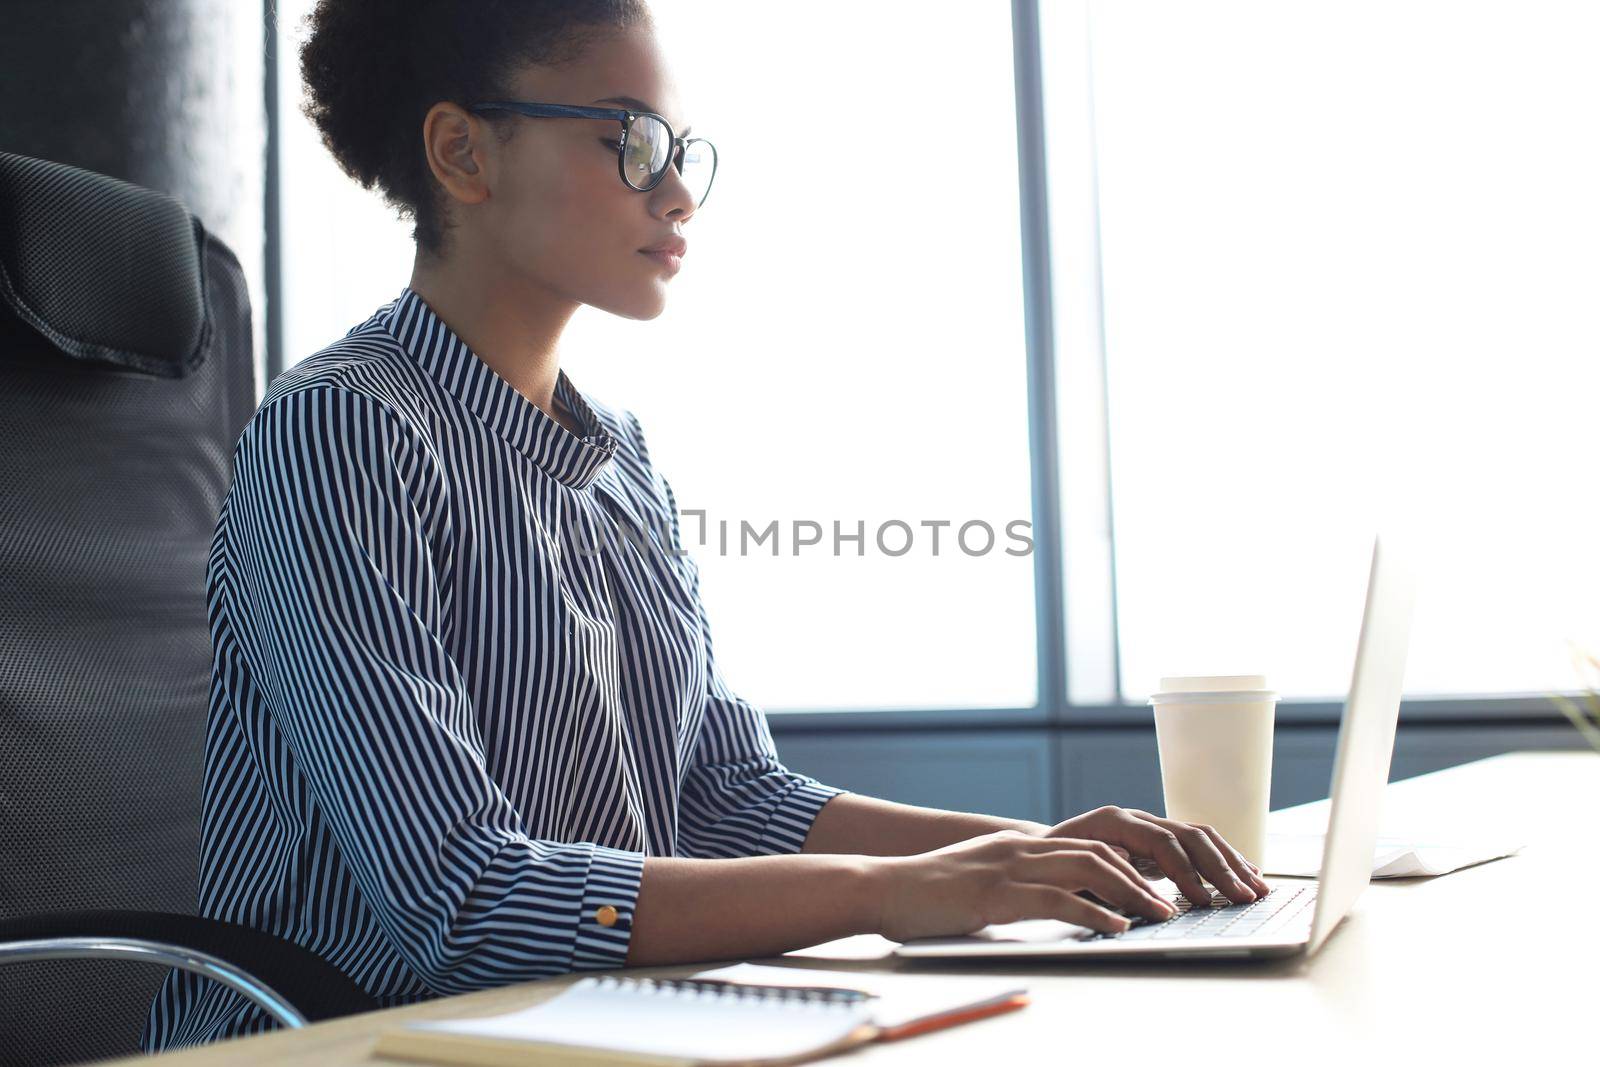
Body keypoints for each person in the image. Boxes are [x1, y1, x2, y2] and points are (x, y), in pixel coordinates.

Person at [142, 0, 1269, 1050]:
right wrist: (897, 891)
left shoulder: (619, 453)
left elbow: (727, 796)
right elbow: (462, 897)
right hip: (340, 1040)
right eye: (630, 141)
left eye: (683, 151)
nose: (677, 191)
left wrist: (1025, 855)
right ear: (462, 153)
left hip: (572, 1032)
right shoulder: (341, 433)